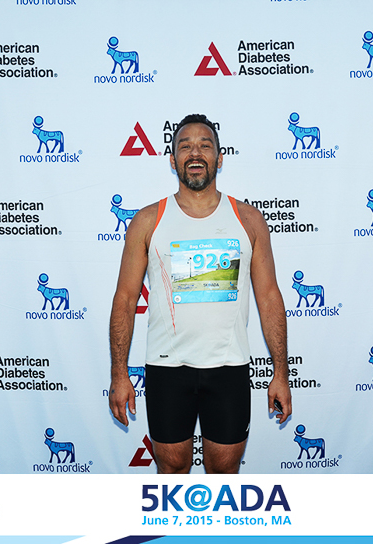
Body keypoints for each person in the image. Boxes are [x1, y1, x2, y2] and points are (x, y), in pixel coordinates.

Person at [109, 113, 291, 474]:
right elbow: (125, 300)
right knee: (172, 470)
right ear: (172, 159)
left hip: (229, 368)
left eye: (205, 146)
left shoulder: (249, 220)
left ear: (219, 159)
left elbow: (270, 298)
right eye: (185, 146)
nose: (195, 153)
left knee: (224, 473)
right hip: (166, 369)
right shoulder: (147, 221)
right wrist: (119, 374)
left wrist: (281, 373)